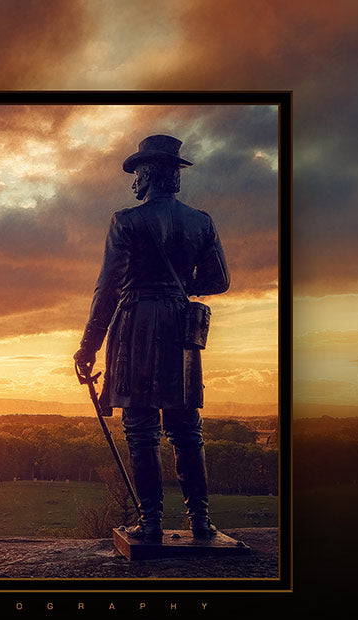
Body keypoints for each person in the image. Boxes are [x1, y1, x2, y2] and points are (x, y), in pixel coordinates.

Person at [73, 134, 229, 543]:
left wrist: (88, 346)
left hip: (138, 322)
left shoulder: (126, 221)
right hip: (180, 325)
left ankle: (152, 523)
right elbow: (219, 279)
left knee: (141, 427)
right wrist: (179, 286)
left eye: (137, 174)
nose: (133, 183)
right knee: (186, 427)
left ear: (150, 173)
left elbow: (107, 289)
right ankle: (200, 522)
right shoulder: (202, 222)